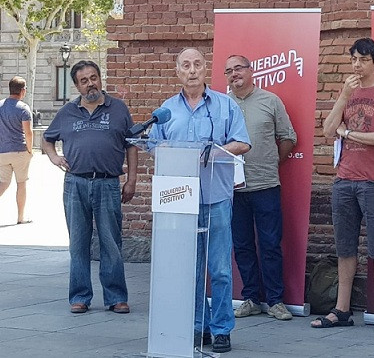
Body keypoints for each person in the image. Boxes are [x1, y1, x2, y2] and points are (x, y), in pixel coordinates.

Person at [149, 48, 251, 354]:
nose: (192, 70)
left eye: (197, 65)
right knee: (188, 269)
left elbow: (243, 141)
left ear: (205, 69)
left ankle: (221, 329)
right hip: (180, 200)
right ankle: (196, 326)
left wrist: (213, 152)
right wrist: (172, 157)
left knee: (218, 268)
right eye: (185, 66)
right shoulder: (166, 110)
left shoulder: (224, 105)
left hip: (216, 196)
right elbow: (154, 145)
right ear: (178, 72)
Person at [310, 38, 374, 334]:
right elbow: (326, 130)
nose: (356, 65)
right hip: (345, 180)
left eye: (362, 60)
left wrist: (346, 132)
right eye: (353, 60)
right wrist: (344, 96)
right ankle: (342, 309)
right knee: (345, 247)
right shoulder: (348, 90)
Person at [41, 60, 136, 315]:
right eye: (84, 80)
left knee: (111, 242)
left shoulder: (118, 109)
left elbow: (131, 145)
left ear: (100, 78)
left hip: (107, 183)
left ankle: (116, 297)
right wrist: (54, 158)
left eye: (93, 77)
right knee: (79, 243)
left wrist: (132, 179)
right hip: (76, 183)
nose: (90, 83)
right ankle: (80, 296)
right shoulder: (67, 112)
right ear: (76, 85)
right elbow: (47, 139)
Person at [225, 55, 297, 321]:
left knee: (269, 244)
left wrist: (273, 161)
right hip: (232, 188)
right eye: (229, 71)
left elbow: (288, 137)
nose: (234, 74)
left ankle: (276, 301)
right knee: (242, 245)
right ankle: (252, 298)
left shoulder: (270, 100)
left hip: (266, 184)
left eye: (239, 68)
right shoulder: (222, 104)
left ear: (251, 70)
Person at [0, 76, 33, 225]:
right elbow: (28, 132)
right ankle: (20, 217)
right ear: (22, 90)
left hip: (2, 152)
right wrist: (30, 150)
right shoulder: (23, 108)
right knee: (21, 183)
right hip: (20, 150)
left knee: (3, 183)